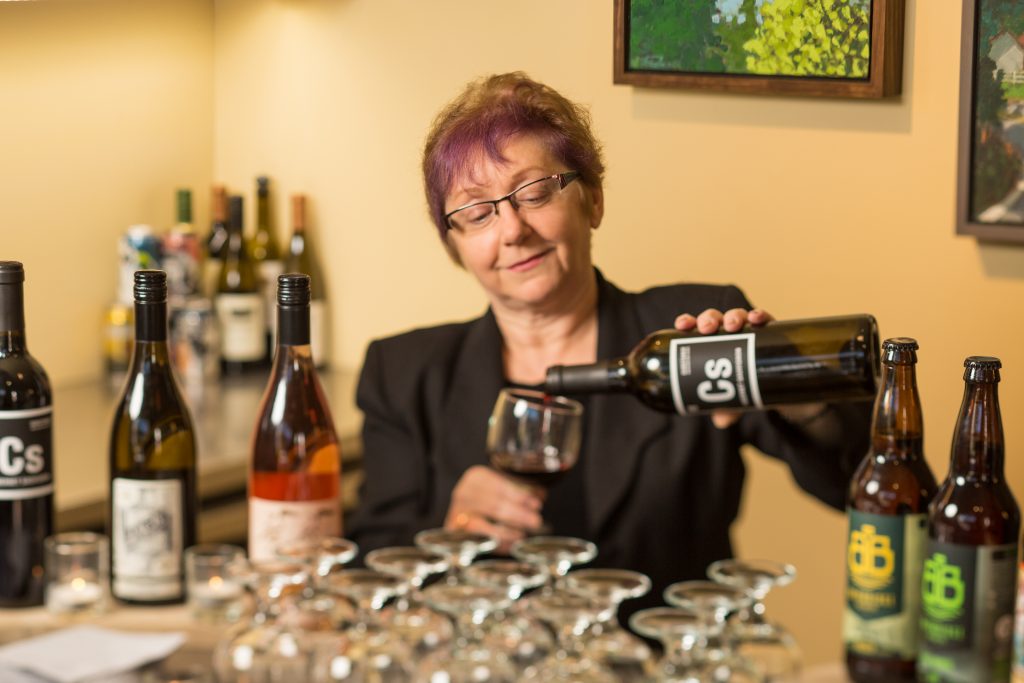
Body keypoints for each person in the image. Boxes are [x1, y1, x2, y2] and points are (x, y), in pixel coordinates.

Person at [348, 72, 872, 601]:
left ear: (593, 200)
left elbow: (860, 487)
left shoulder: (686, 334)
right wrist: (448, 529)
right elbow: (369, 564)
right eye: (478, 212)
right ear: (455, 246)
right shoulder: (404, 372)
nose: (512, 231)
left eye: (532, 193)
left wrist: (791, 389)